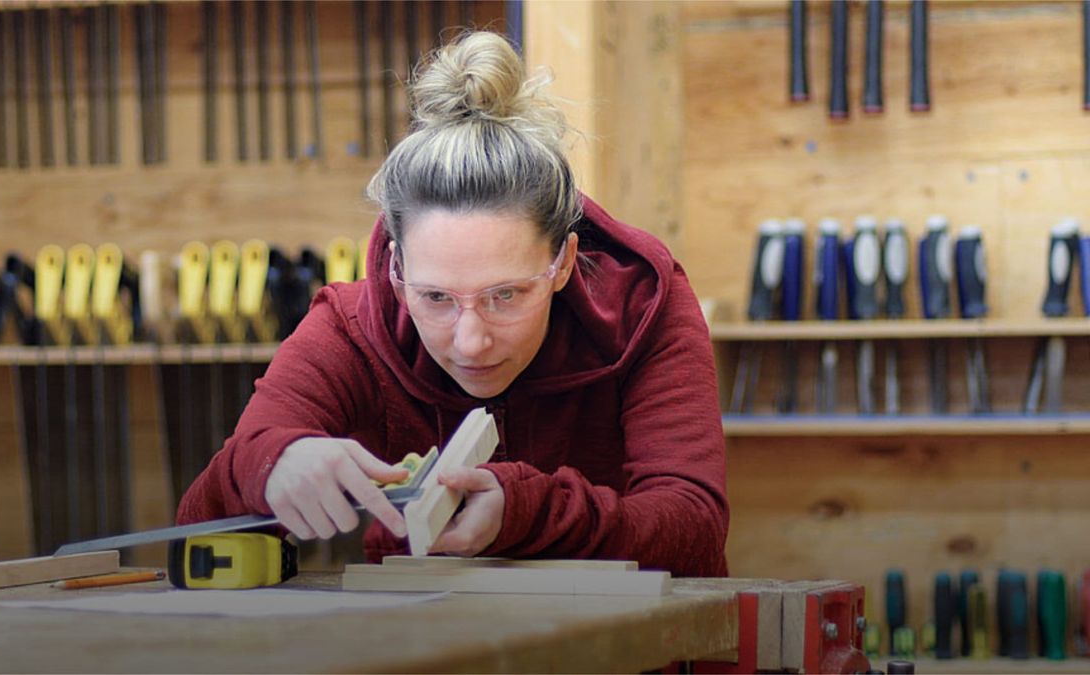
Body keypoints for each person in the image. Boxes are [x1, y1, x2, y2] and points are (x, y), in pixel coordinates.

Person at [177, 31, 728, 577]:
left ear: (562, 262)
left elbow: (693, 527)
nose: (471, 342)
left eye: (506, 295)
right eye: (436, 297)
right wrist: (268, 465)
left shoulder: (643, 307)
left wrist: (525, 512)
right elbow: (197, 521)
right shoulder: (351, 328)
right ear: (396, 270)